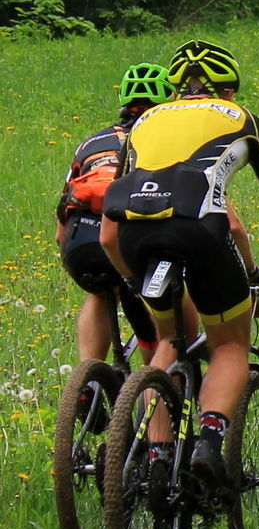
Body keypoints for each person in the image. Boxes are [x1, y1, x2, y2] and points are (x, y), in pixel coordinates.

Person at [101, 40, 259, 494]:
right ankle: (209, 441)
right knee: (231, 344)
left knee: (167, 341)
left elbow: (106, 235)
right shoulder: (242, 119)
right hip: (200, 230)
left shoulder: (141, 122)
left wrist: (136, 282)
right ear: (229, 90)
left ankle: (157, 458)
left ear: (177, 88)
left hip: (136, 236)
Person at [56, 64, 173, 366]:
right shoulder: (162, 140)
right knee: (162, 337)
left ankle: (87, 379)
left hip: (80, 241)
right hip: (129, 241)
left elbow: (61, 220)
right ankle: (155, 387)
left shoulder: (91, 143)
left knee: (99, 292)